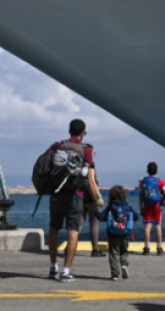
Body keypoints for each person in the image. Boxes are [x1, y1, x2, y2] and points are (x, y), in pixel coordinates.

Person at [47, 118, 103, 283]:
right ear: (82, 133)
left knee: (54, 228)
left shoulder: (58, 146)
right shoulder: (86, 150)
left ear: (69, 131)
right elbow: (91, 179)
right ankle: (66, 272)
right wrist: (97, 198)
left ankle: (52, 267)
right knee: (73, 231)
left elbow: (45, 164)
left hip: (56, 194)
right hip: (75, 194)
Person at [96, 185, 137, 281]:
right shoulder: (127, 206)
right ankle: (123, 264)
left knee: (113, 254)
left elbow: (101, 218)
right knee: (124, 251)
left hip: (113, 234)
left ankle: (114, 274)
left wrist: (94, 210)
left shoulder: (110, 207)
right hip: (125, 234)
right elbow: (136, 217)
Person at [139, 161, 165, 256]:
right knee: (158, 226)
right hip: (157, 206)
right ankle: (159, 248)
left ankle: (146, 248)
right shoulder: (160, 181)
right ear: (157, 171)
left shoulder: (144, 181)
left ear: (147, 170)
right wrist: (163, 198)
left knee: (147, 227)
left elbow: (141, 195)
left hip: (147, 205)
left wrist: (141, 207)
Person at [82, 148, 104, 257]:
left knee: (79, 223)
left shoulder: (80, 164)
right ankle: (95, 249)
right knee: (94, 223)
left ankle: (70, 246)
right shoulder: (91, 164)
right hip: (91, 197)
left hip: (81, 196)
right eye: (93, 153)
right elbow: (92, 182)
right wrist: (98, 197)